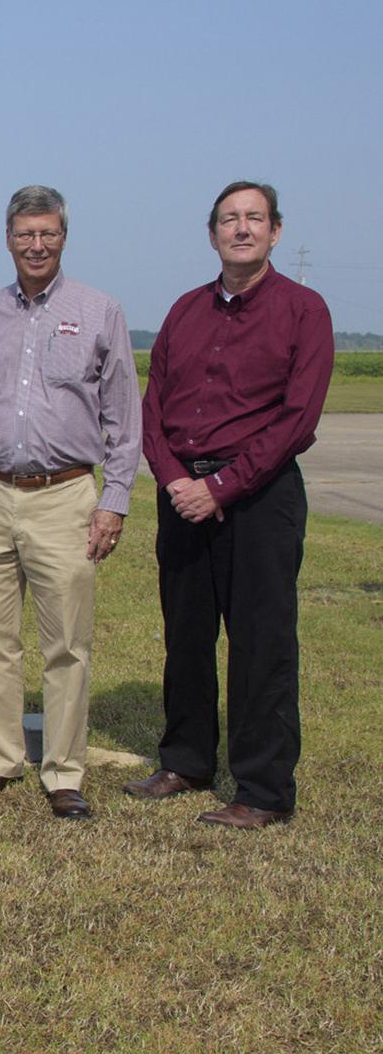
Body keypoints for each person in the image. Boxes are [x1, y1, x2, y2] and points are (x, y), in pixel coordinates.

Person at [130, 181, 333, 828]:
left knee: (259, 644)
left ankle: (262, 791)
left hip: (259, 500)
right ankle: (185, 760)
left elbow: (296, 420)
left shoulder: (303, 310)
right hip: (181, 497)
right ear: (212, 232)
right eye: (228, 219)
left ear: (274, 232)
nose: (240, 228)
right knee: (185, 637)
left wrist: (220, 487)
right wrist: (173, 482)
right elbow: (152, 408)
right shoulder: (184, 311)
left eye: (253, 218)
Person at [0, 186, 141, 819]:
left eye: (48, 234)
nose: (36, 245)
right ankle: (0, 757)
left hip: (65, 496)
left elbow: (123, 417)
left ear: (63, 238)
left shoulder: (99, 310)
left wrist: (113, 501)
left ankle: (63, 771)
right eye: (25, 234)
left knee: (67, 644)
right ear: (8, 239)